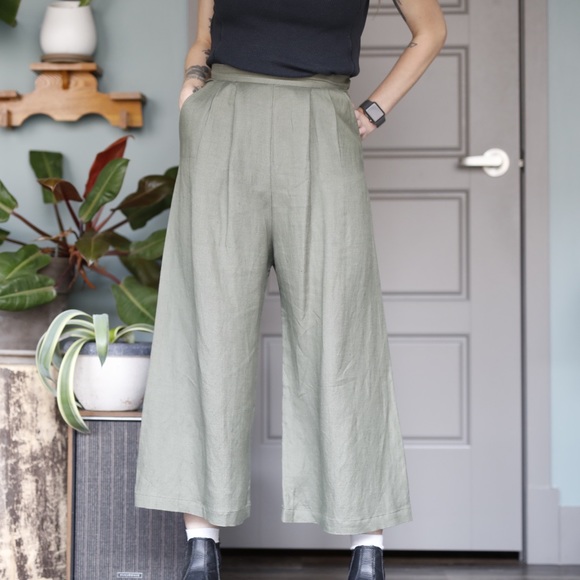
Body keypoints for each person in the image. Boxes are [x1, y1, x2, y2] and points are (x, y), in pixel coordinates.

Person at [135, 0, 447, 578]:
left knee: (341, 328)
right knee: (209, 324)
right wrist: (193, 83)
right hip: (223, 122)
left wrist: (374, 110)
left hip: (321, 121)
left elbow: (430, 31)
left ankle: (367, 544)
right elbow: (204, 36)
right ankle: (201, 544)